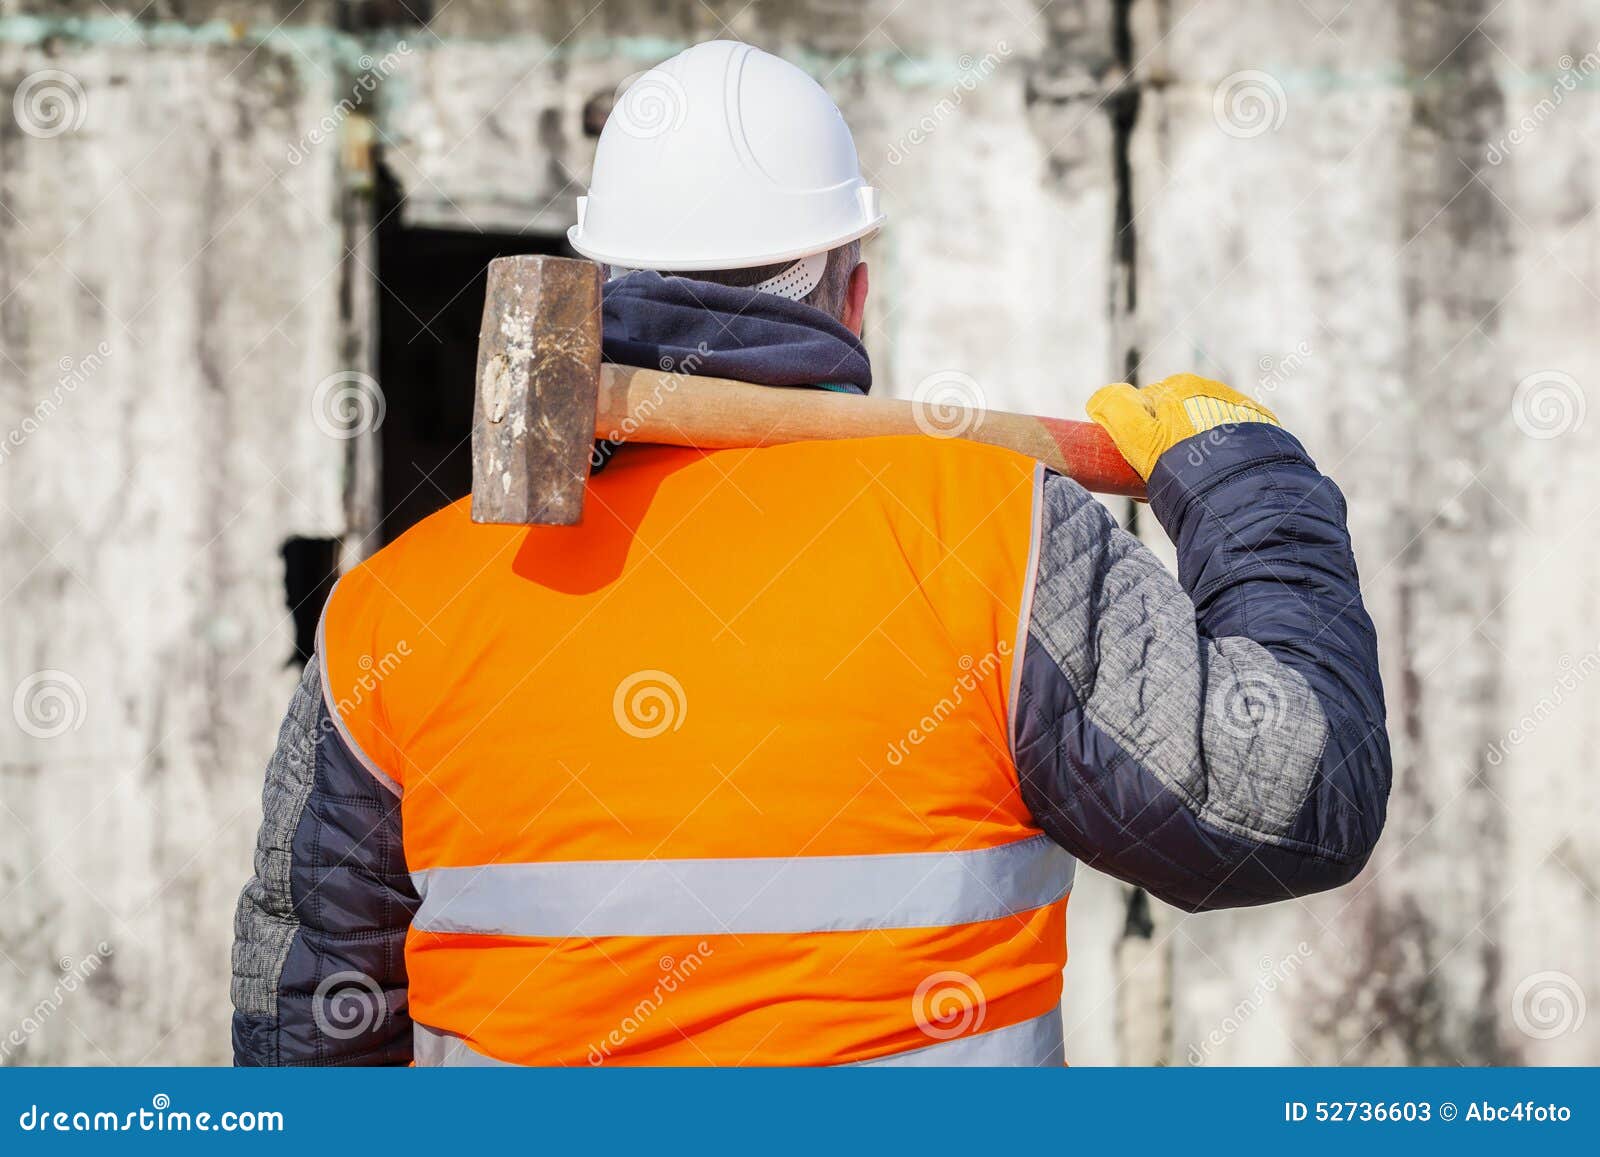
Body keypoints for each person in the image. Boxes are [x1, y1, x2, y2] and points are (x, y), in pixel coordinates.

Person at [231, 40, 1388, 1067]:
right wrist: (1248, 483)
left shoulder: (391, 611)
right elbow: (1291, 798)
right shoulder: (994, 532)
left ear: (596, 278)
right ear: (856, 292)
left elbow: (307, 1034)